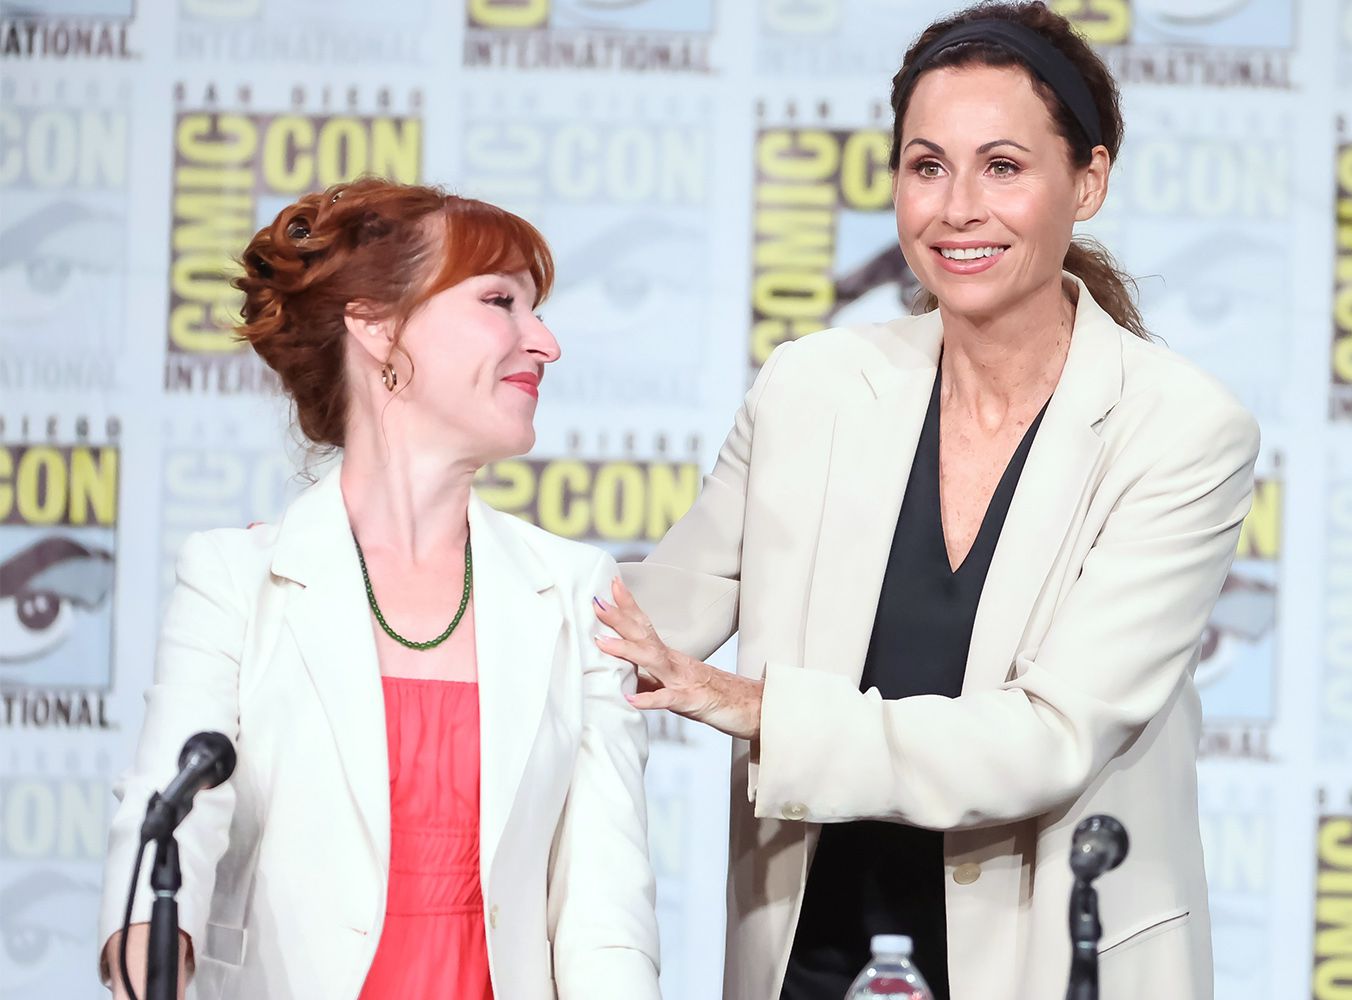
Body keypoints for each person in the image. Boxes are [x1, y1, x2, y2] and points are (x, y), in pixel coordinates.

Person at [594, 4, 1259, 999]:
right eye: (926, 165)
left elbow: (1047, 737)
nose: (956, 210)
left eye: (1003, 166)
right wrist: (400, 559)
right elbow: (651, 613)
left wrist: (751, 705)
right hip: (810, 959)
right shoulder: (810, 386)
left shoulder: (1180, 429)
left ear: (1088, 180)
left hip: (1047, 965)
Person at [96, 179, 660, 1000]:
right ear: (376, 325)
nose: (544, 342)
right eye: (500, 301)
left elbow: (605, 915)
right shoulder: (235, 579)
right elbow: (170, 823)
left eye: (534, 309)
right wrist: (148, 950)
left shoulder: (575, 591)